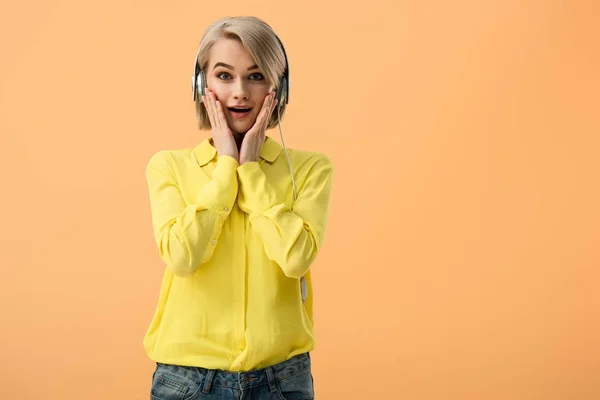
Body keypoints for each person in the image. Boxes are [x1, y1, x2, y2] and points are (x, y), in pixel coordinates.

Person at [144, 16, 334, 399]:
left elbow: (295, 258)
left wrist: (250, 171)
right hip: (187, 382)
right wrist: (226, 169)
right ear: (202, 84)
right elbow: (183, 257)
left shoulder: (311, 169)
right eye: (225, 76)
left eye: (256, 75)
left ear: (278, 89)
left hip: (282, 380)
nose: (241, 92)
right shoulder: (168, 166)